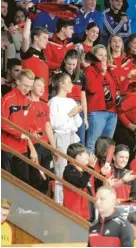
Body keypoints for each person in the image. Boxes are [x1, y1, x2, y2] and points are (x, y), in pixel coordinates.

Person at [84, 45, 130, 153]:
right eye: (100, 55)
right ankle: (88, 169)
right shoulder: (90, 69)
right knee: (92, 145)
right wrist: (102, 73)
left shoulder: (111, 71)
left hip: (112, 113)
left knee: (107, 146)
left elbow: (120, 91)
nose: (104, 57)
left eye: (105, 55)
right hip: (97, 112)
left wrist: (128, 77)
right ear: (94, 56)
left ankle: (105, 169)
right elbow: (92, 88)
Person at [49, 72, 82, 204]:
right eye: (69, 82)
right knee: (60, 170)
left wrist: (75, 114)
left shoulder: (71, 100)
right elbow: (54, 123)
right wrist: (70, 113)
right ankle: (59, 202)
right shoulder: (53, 101)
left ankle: (73, 200)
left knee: (77, 167)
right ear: (62, 84)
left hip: (72, 136)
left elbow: (78, 123)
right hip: (61, 136)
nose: (72, 85)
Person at [1, 69, 37, 183]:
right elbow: (2, 122)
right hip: (6, 148)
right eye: (25, 85)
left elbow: (31, 125)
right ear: (17, 82)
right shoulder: (7, 99)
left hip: (22, 149)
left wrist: (33, 132)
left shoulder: (29, 102)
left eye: (30, 86)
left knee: (23, 183)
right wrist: (20, 134)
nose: (27, 89)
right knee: (6, 183)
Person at [54, 50, 88, 144]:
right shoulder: (58, 74)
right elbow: (54, 95)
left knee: (80, 142)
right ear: (64, 60)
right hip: (64, 112)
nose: (71, 67)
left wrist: (85, 117)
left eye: (74, 64)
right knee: (65, 142)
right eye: (69, 64)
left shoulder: (81, 75)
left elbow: (83, 97)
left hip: (78, 111)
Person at [28, 77, 55, 193]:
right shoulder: (25, 103)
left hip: (45, 146)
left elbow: (48, 126)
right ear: (31, 86)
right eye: (39, 85)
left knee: (45, 177)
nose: (42, 88)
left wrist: (53, 146)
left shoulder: (44, 105)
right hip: (32, 145)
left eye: (43, 86)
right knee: (35, 176)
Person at [63, 143, 96, 220]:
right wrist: (90, 167)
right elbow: (81, 183)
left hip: (86, 206)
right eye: (84, 153)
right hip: (75, 209)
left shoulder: (84, 169)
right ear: (77, 157)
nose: (87, 155)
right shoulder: (69, 170)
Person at [20, 19, 50, 102]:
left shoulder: (44, 57)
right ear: (35, 37)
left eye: (47, 38)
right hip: (29, 98)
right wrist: (29, 18)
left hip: (44, 99)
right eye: (44, 38)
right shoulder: (28, 53)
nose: (47, 41)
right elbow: (25, 37)